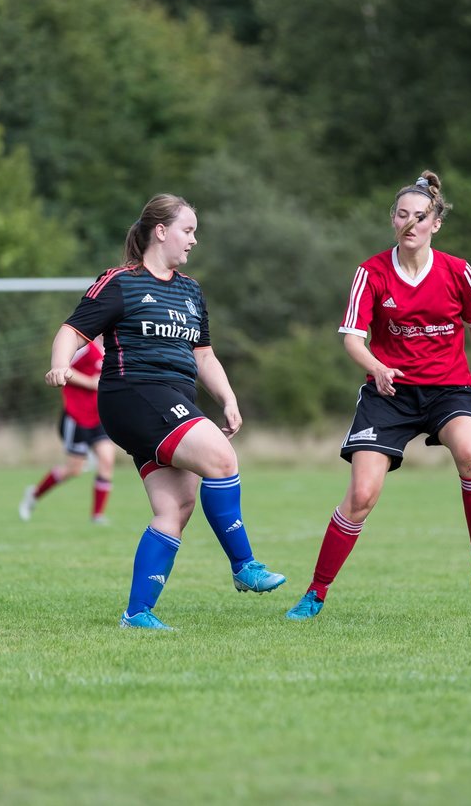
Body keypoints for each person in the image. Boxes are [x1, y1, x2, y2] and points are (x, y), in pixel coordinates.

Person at [285, 171, 471, 621]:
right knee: (361, 495)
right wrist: (376, 366)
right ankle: (316, 592)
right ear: (392, 220)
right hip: (389, 393)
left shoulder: (458, 272)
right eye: (403, 215)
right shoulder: (372, 272)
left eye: (421, 217)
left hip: (448, 390)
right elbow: (352, 339)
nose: (411, 224)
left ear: (436, 223)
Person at [46, 193, 284, 630]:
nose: (194, 240)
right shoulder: (121, 281)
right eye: (187, 230)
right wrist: (61, 363)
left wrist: (228, 399)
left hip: (174, 400)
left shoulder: (191, 290)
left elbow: (205, 356)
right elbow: (72, 329)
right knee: (221, 458)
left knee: (175, 506)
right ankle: (245, 565)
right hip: (134, 394)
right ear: (161, 231)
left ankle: (137, 613)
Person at [19, 337, 116, 525]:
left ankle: (97, 516)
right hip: (76, 416)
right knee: (73, 469)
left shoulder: (113, 346)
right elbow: (61, 369)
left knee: (107, 460)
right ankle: (34, 494)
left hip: (99, 416)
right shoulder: (84, 347)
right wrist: (89, 381)